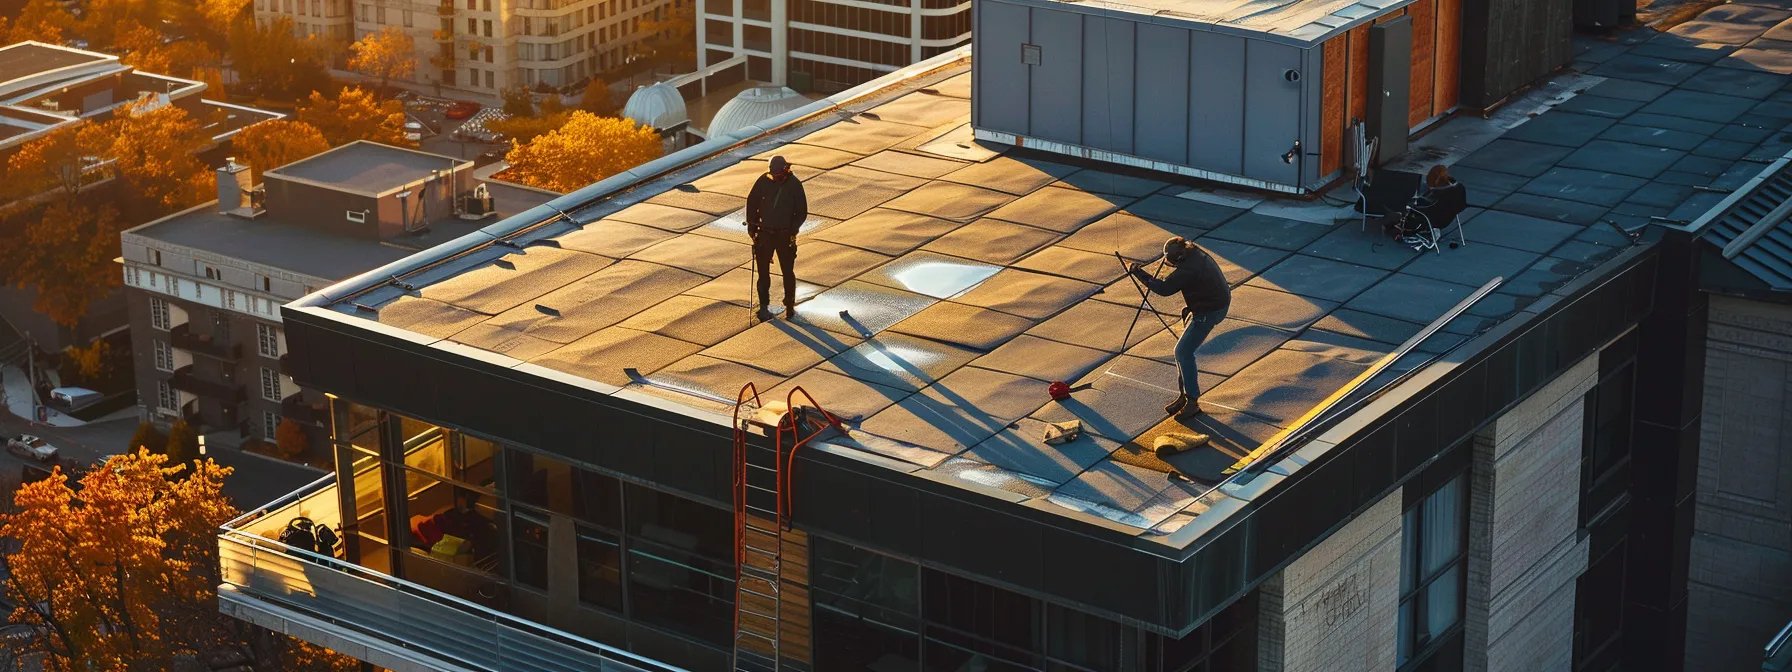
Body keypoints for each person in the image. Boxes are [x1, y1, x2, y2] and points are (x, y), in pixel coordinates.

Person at [1129, 237, 1232, 419]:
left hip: (1209, 311)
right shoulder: (1195, 253)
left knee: (1182, 352)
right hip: (1211, 303)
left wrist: (1139, 273)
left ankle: (1192, 401)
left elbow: (1164, 289)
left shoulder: (1188, 269)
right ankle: (1184, 396)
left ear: (1178, 258)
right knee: (1181, 353)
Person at [745, 156, 808, 321]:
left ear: (785, 170)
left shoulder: (795, 185)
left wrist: (792, 230)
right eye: (773, 174)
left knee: (787, 272)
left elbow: (802, 212)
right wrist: (752, 226)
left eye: (778, 174)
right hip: (765, 234)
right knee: (763, 273)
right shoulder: (763, 181)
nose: (775, 177)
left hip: (784, 235)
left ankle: (789, 305)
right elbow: (752, 202)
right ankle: (764, 306)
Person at [1393, 164, 1465, 247]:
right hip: (1448, 218)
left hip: (1431, 220)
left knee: (1396, 214)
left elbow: (1423, 208)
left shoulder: (1435, 196)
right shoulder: (1456, 189)